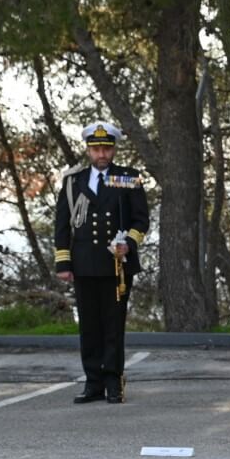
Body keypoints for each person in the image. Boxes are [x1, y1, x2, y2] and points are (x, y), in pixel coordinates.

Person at [55, 122, 151, 404]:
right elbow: (62, 223)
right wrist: (64, 262)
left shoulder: (129, 178)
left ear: (113, 149)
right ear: (88, 150)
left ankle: (113, 382)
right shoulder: (74, 181)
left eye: (106, 148)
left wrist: (129, 244)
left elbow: (141, 220)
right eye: (96, 149)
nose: (101, 154)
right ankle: (93, 382)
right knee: (89, 326)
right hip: (84, 263)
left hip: (116, 264)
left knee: (113, 324)